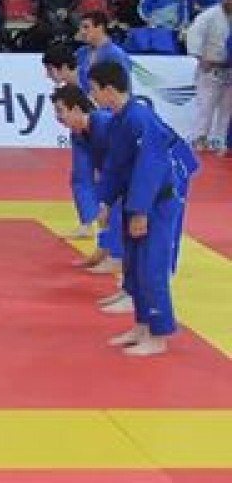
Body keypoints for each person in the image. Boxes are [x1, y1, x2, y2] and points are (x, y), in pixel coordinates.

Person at [91, 61, 196, 357]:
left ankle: (158, 335)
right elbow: (114, 166)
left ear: (109, 90)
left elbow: (151, 167)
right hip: (135, 198)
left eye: (94, 90)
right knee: (134, 267)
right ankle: (141, 326)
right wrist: (105, 201)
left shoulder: (140, 118)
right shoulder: (118, 120)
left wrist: (140, 211)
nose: (93, 96)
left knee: (151, 267)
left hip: (156, 203)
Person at [46, 78, 127, 311]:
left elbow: (120, 161)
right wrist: (100, 202)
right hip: (117, 173)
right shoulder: (79, 134)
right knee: (104, 207)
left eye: (61, 111)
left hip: (136, 171)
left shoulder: (104, 122)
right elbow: (86, 173)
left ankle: (117, 259)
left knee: (119, 209)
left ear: (76, 109)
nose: (58, 117)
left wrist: (108, 198)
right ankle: (106, 253)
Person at [184, 0, 232, 154]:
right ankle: (199, 139)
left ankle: (218, 141)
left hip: (229, 68)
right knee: (205, 107)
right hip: (211, 67)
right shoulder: (209, 15)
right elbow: (193, 34)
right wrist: (200, 57)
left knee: (227, 109)